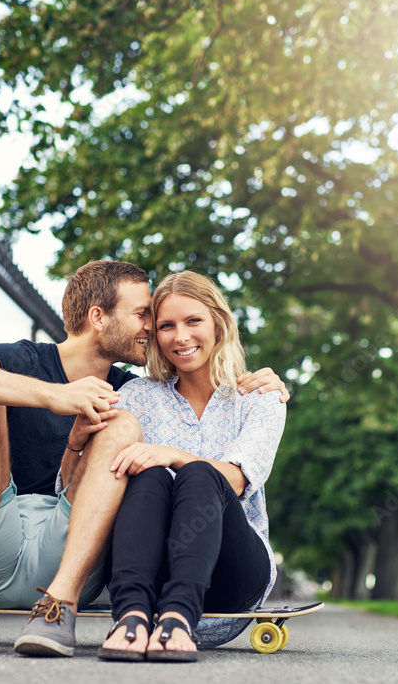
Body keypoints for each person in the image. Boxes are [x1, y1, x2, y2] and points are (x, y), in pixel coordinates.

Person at [0, 260, 289, 658]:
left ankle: (65, 606)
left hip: (97, 554)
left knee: (154, 448)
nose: (158, 330)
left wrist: (266, 387)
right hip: (2, 532)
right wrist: (58, 404)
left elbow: (228, 468)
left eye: (166, 319)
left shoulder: (147, 394)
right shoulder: (53, 369)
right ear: (98, 317)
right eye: (148, 317)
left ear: (218, 323)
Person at [96, 271, 286, 662]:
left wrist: (173, 454)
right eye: (167, 326)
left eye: (193, 321)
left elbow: (235, 479)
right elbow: (96, 481)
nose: (180, 337)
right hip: (152, 574)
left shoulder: (260, 398)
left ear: (219, 323)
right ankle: (130, 616)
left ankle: (178, 618)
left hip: (233, 576)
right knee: (148, 474)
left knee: (200, 473)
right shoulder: (136, 397)